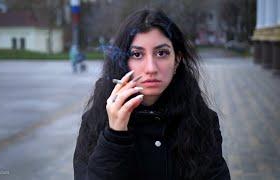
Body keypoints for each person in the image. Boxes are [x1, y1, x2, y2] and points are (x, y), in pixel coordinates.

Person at [73, 8, 230, 180]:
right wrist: (114, 136)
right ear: (123, 62)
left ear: (177, 60)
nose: (151, 68)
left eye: (161, 53)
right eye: (137, 54)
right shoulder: (95, 121)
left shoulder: (201, 121)